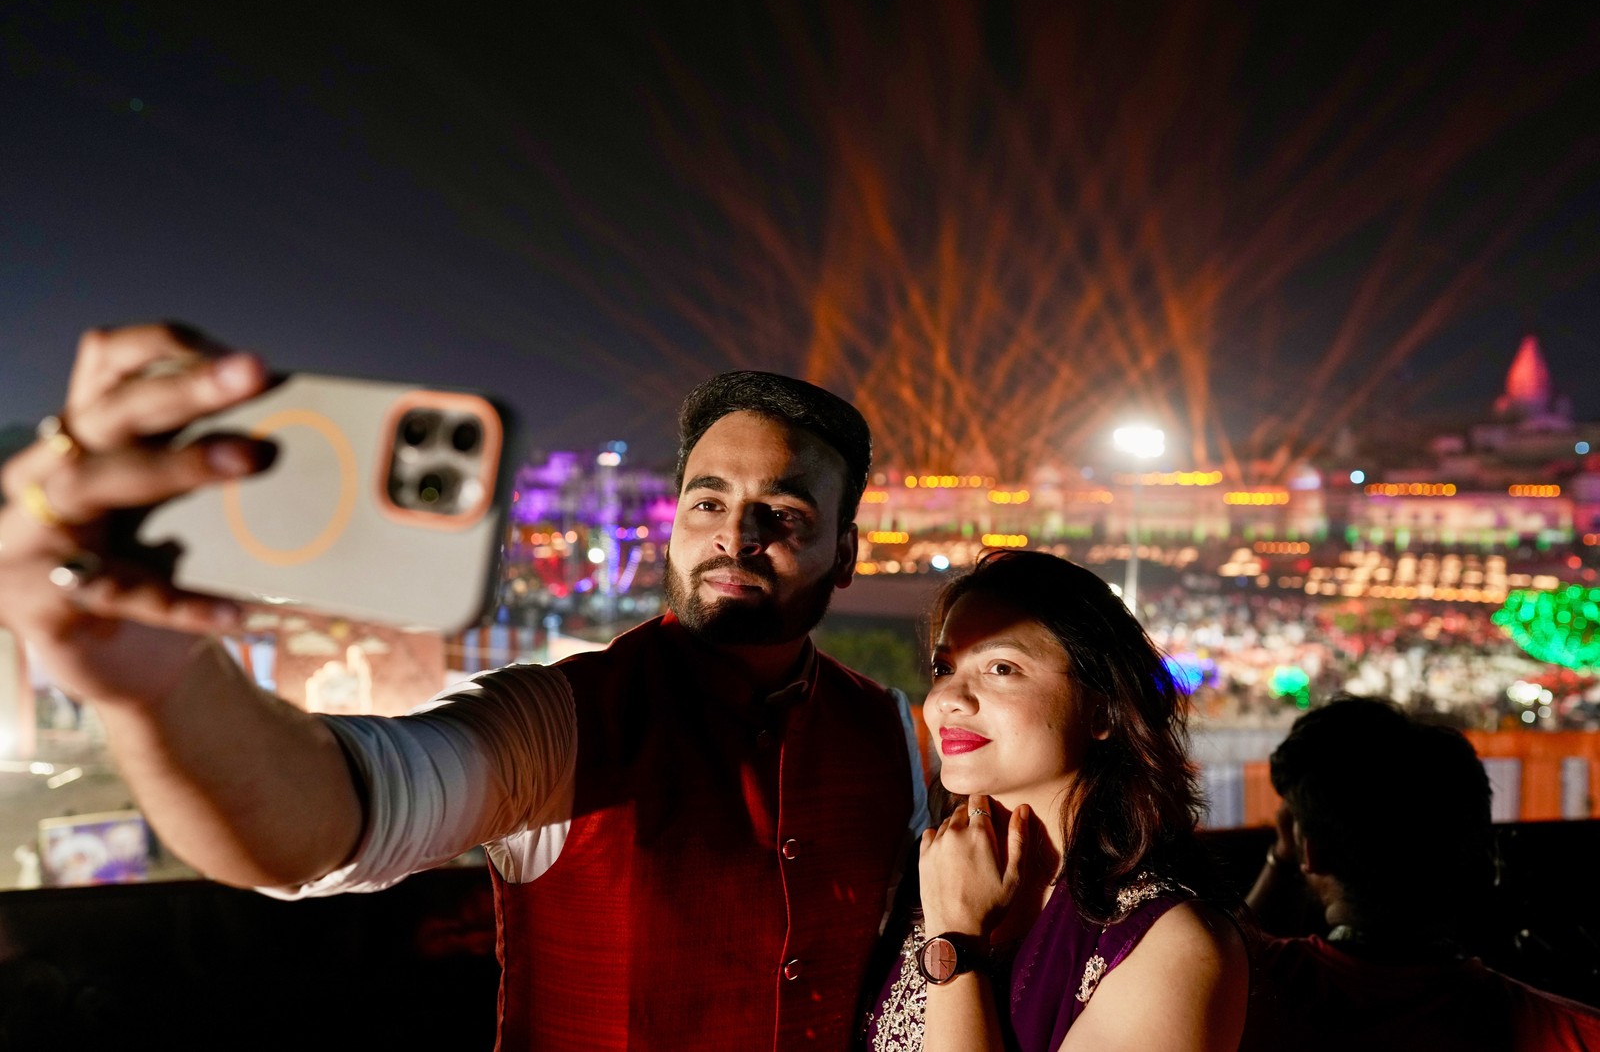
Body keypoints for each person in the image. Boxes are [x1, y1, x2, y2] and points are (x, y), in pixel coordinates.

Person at [0, 323, 928, 1050]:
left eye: (787, 511)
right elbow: (335, 814)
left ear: (845, 554)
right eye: (709, 499)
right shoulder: (560, 717)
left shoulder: (895, 734)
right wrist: (157, 683)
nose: (738, 531)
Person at [857, 549, 1249, 1052]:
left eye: (1001, 667)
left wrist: (955, 941)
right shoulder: (930, 876)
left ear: (1104, 711)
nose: (949, 698)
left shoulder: (1173, 945)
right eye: (943, 667)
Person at [1239, 696, 1600, 1051]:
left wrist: (1283, 858)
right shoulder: (1579, 1033)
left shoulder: (1238, 999)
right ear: (1482, 853)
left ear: (1311, 853)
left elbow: (1239, 954)